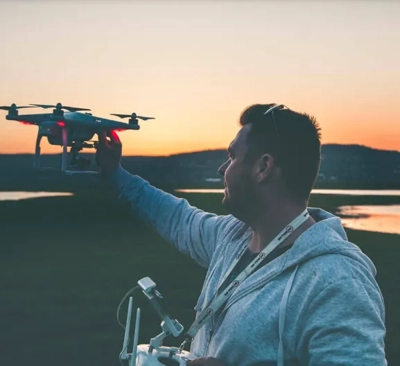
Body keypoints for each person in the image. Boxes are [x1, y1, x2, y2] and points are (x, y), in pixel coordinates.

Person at [96, 104, 387, 366]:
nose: (223, 168)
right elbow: (177, 218)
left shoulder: (335, 279)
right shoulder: (232, 237)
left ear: (263, 167)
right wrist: (116, 173)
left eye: (233, 156)